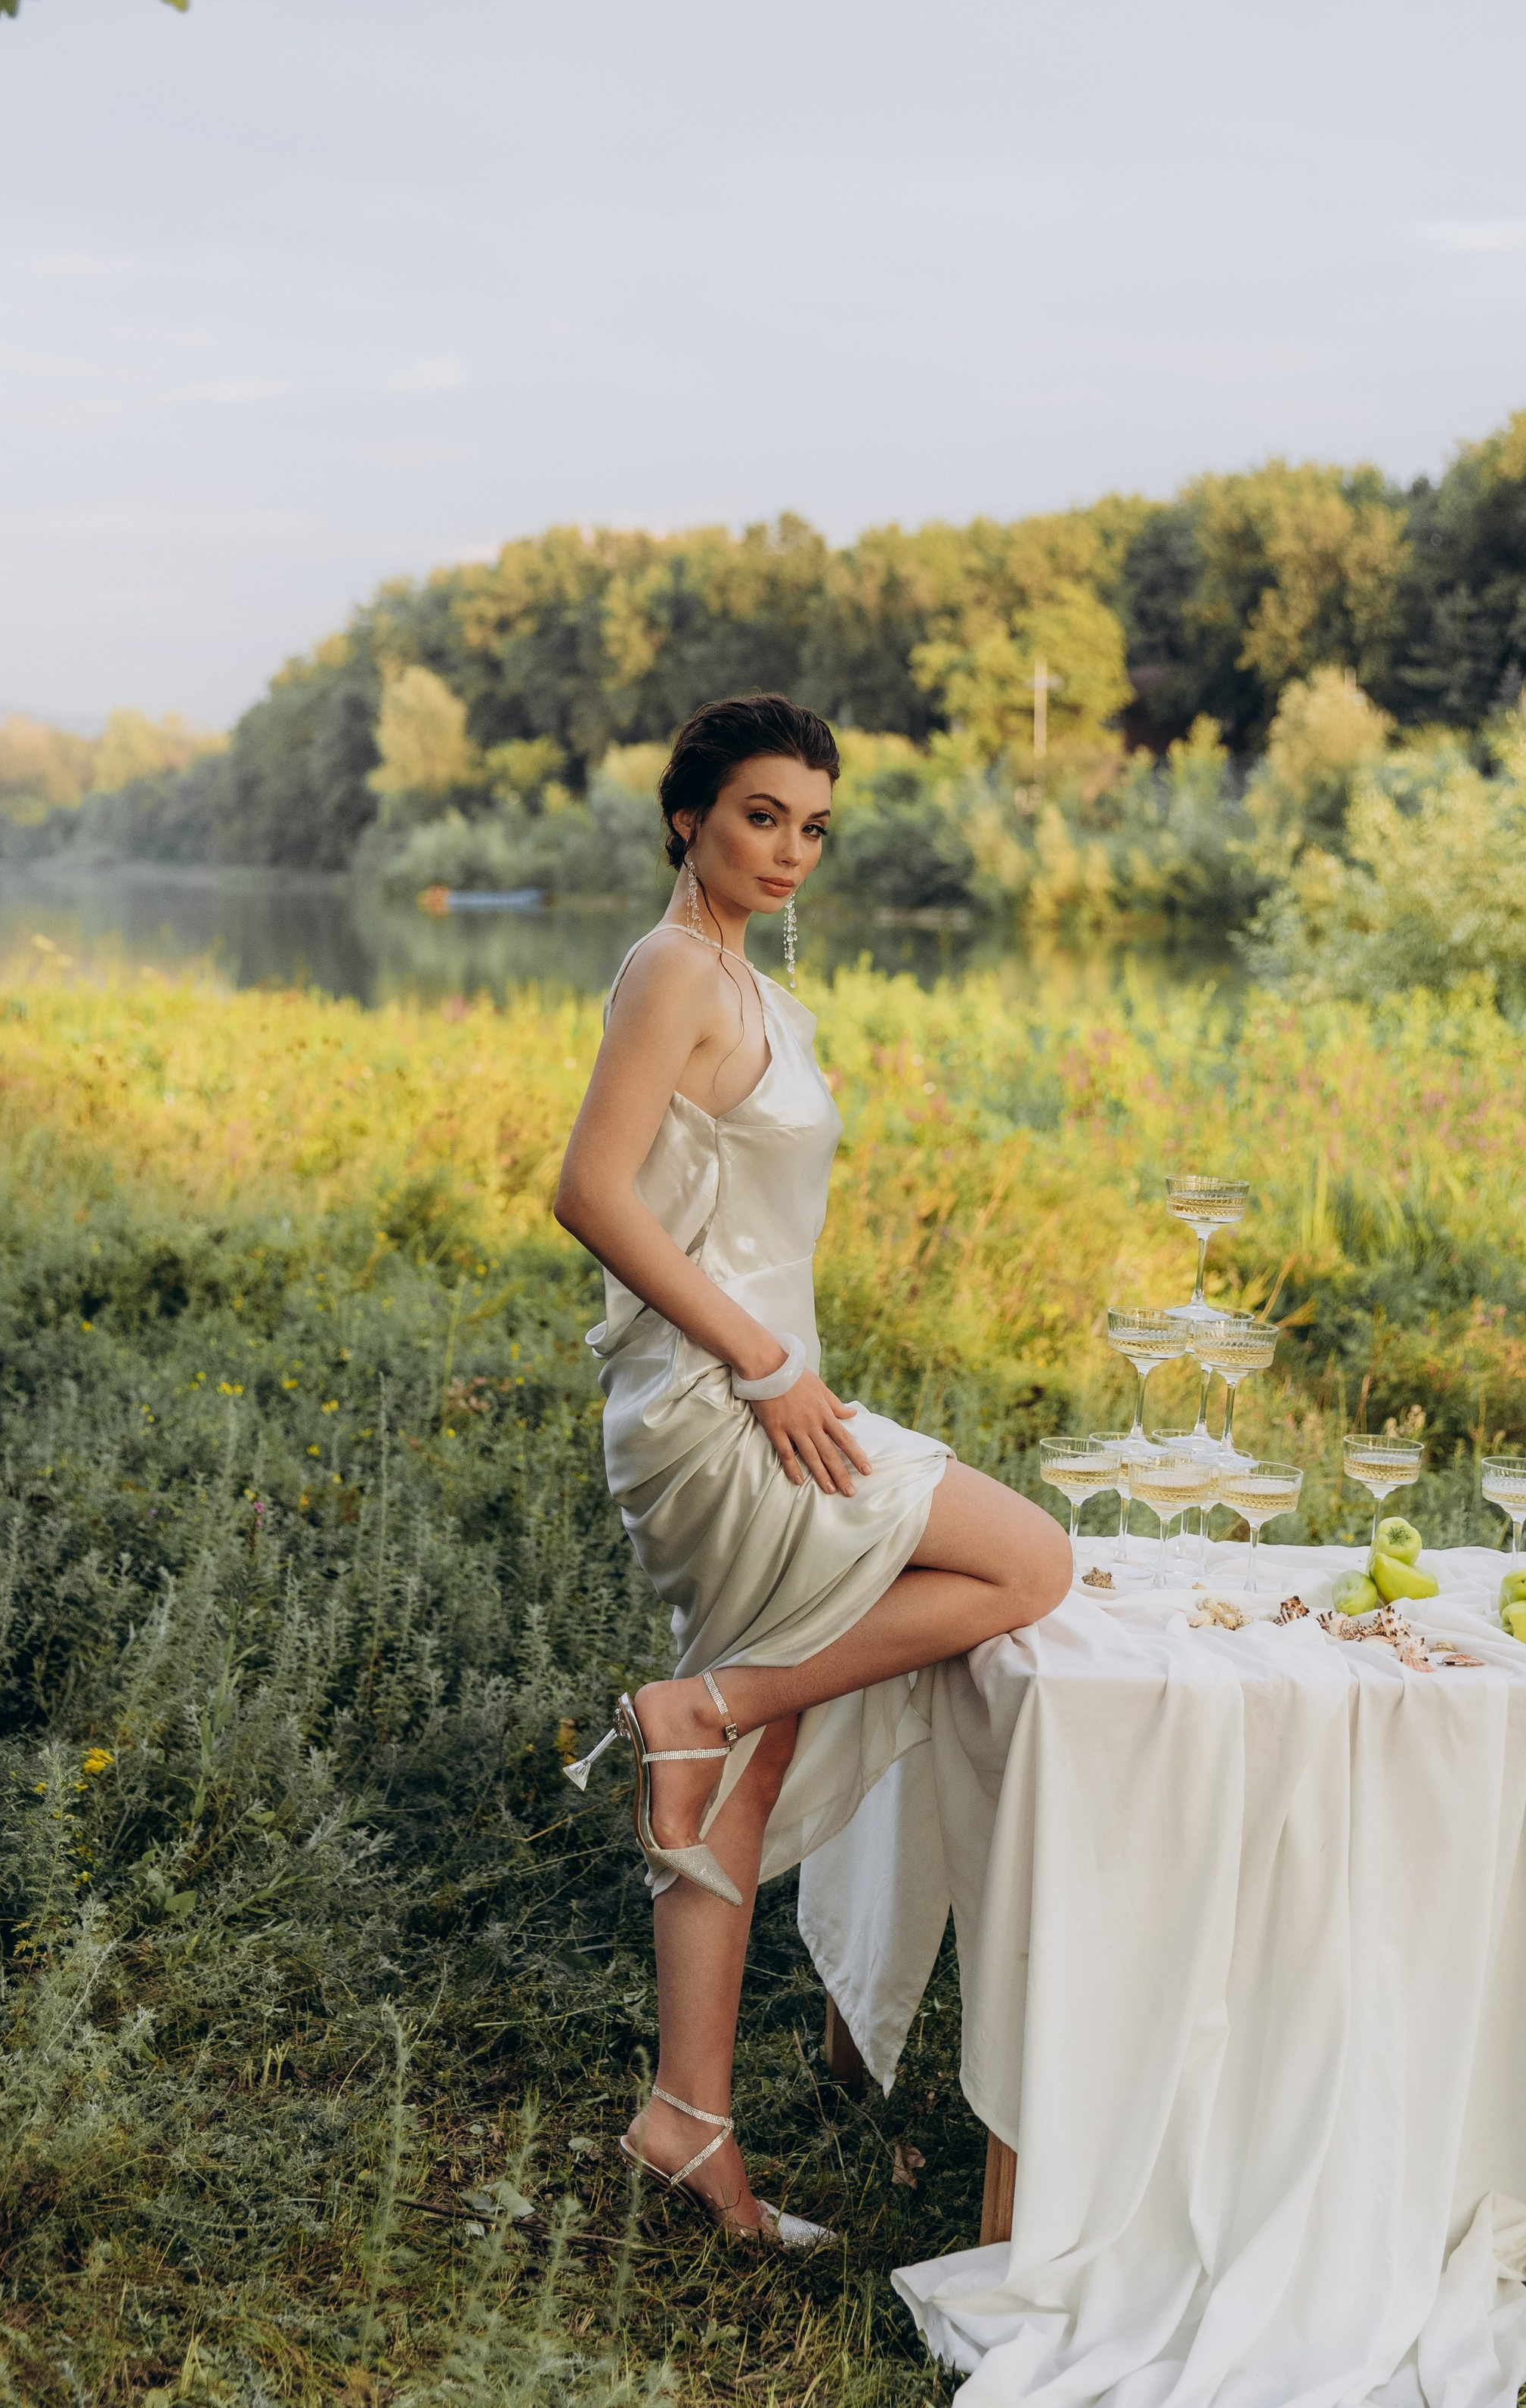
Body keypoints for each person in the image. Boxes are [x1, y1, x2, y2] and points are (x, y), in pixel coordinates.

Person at [553, 691, 1072, 2249]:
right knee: (1026, 1561)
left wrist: (785, 1362)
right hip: (719, 1408)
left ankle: (684, 2124)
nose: (787, 849)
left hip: (761, 1390)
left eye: (811, 825)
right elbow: (588, 1190)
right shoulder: (666, 967)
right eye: (759, 815)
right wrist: (769, 1369)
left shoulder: (744, 978)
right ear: (686, 816)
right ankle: (700, 1708)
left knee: (750, 1765)